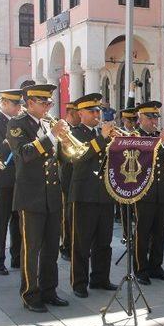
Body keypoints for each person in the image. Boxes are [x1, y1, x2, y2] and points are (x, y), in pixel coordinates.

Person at [6, 84, 69, 312]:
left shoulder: (46, 124)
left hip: (51, 196)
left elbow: (59, 158)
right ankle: (30, 294)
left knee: (51, 248)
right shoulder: (16, 125)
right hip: (31, 197)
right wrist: (53, 135)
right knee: (31, 250)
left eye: (50, 103)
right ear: (30, 103)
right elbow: (25, 154)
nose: (48, 107)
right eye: (44, 103)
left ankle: (49, 290)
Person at [68, 93, 118, 298]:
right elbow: (80, 157)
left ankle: (101, 278)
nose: (97, 114)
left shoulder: (102, 134)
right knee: (82, 242)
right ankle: (79, 283)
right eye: (92, 111)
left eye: (98, 110)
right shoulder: (74, 133)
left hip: (105, 193)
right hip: (84, 194)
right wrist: (103, 138)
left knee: (104, 241)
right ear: (81, 114)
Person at [133, 101, 164, 285]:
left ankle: (156, 266)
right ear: (141, 118)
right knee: (143, 232)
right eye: (150, 117)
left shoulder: (160, 137)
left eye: (156, 117)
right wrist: (159, 142)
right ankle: (140, 268)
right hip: (144, 192)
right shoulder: (135, 137)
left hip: (163, 191)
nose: (154, 121)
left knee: (160, 232)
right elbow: (140, 161)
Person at [0, 89, 23, 275]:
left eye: (20, 104)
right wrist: (14, 131)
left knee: (18, 221)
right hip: (3, 177)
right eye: (15, 104)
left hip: (20, 177)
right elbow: (1, 148)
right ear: (4, 103)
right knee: (0, 221)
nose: (19, 108)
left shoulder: (19, 122)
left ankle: (17, 257)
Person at [58, 102, 80, 261]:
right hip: (67, 177)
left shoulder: (79, 131)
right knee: (67, 214)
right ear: (71, 114)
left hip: (80, 178)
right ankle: (66, 245)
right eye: (78, 114)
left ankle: (76, 244)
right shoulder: (63, 131)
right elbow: (63, 156)